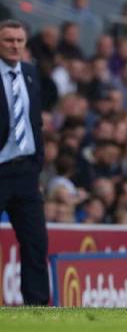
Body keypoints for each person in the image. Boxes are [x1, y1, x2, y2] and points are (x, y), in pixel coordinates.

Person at [0, 19, 49, 305]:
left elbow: (35, 121)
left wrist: (38, 160)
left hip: (27, 173)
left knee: (35, 244)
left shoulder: (30, 73)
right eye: (9, 40)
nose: (15, 45)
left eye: (19, 40)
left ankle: (38, 311)